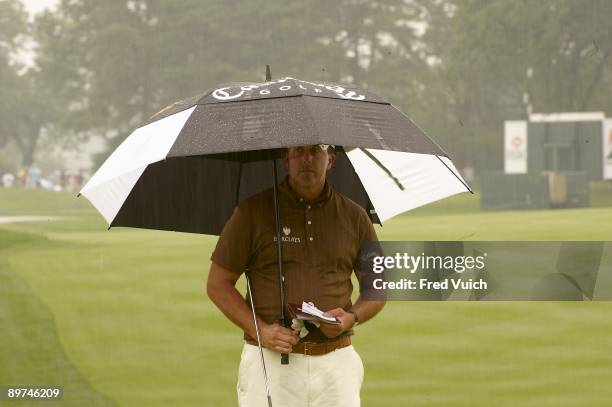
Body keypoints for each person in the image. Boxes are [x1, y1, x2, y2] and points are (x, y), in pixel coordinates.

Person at [207, 144, 385, 407]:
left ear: (331, 160)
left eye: (316, 151)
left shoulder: (356, 216)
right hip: (269, 363)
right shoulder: (251, 212)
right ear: (286, 159)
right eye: (298, 152)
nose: (307, 159)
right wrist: (260, 330)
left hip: (336, 366)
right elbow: (217, 284)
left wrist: (351, 317)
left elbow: (378, 286)